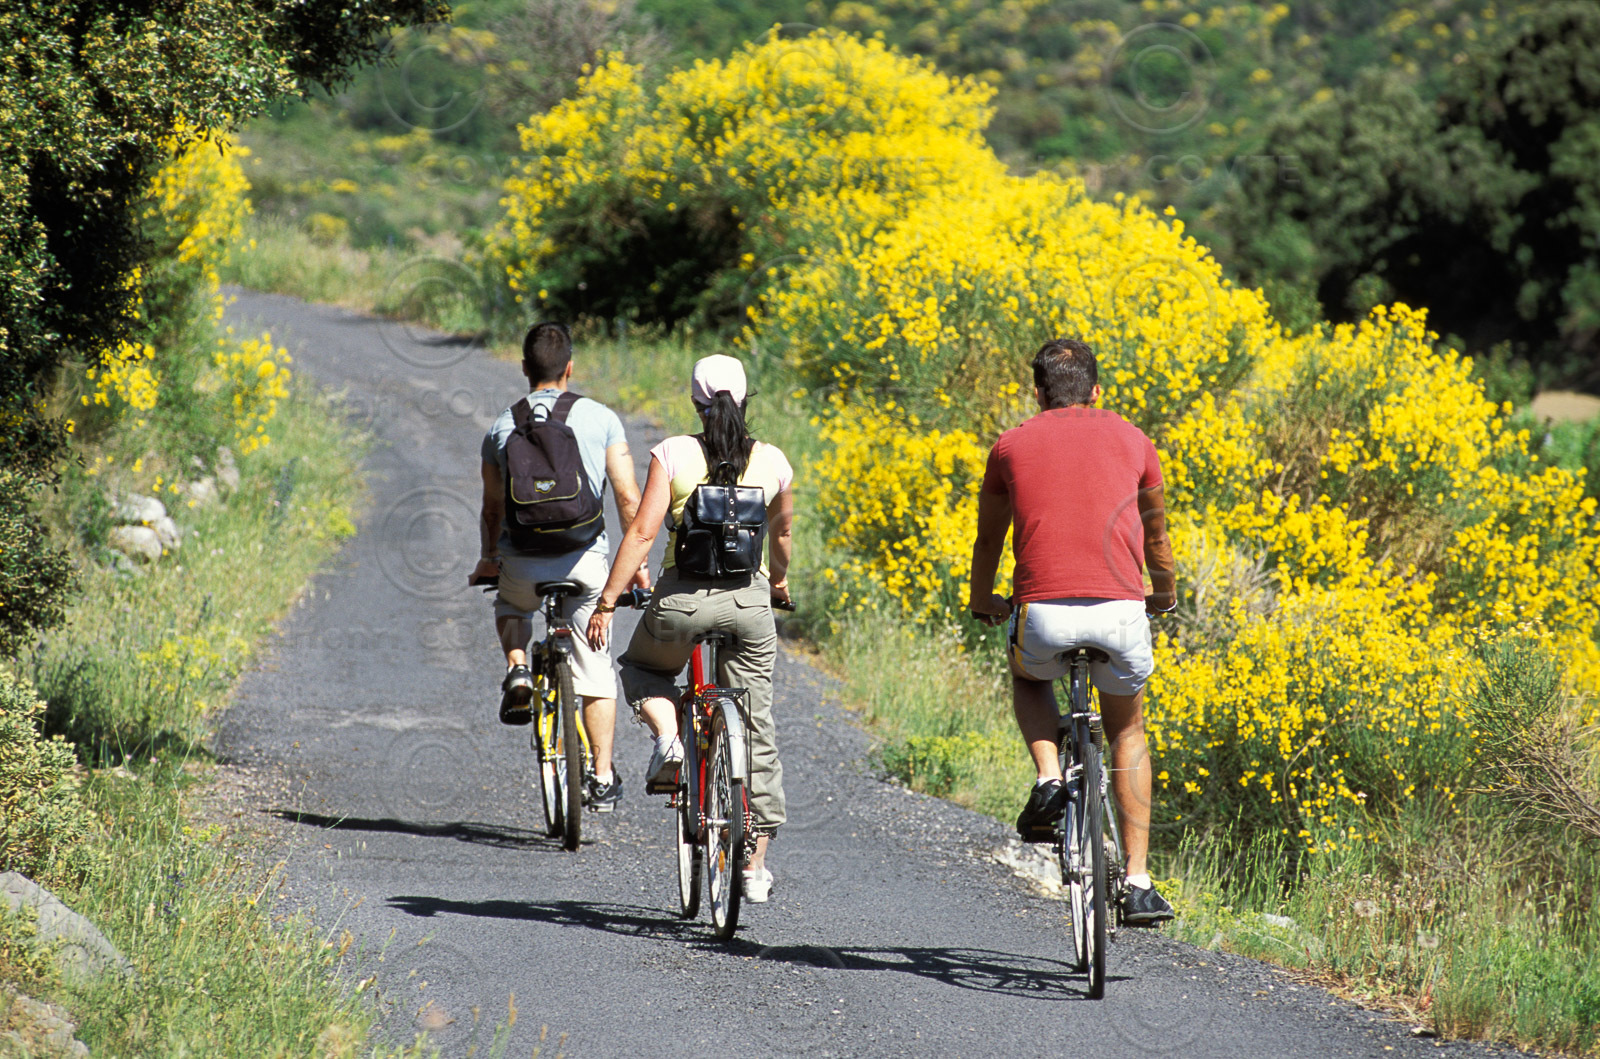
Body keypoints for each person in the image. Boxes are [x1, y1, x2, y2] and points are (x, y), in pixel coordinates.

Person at [968, 337, 1179, 926]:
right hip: (1120, 610)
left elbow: (989, 539)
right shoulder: (1136, 440)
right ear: (1097, 391)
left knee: (1028, 675)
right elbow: (1156, 536)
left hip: (1043, 615)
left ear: (1038, 394)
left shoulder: (1009, 445)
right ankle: (1138, 882)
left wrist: (981, 597)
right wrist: (1162, 591)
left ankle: (1048, 777)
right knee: (1127, 727)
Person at [586, 354, 793, 903]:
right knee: (756, 722)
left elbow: (642, 533)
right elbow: (784, 535)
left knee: (641, 668)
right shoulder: (772, 461)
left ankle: (671, 739)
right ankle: (753, 868)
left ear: (695, 404)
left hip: (681, 599)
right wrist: (779, 585)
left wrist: (607, 602)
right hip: (749, 605)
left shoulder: (674, 452)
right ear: (747, 400)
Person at [470, 321, 648, 812]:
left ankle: (519, 667)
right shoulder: (602, 419)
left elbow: (492, 509)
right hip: (586, 562)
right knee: (596, 670)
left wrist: (489, 557)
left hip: (523, 561)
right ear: (570, 367)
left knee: (510, 605)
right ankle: (603, 776)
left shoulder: (501, 427)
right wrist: (637, 568)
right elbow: (630, 498)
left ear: (525, 369)